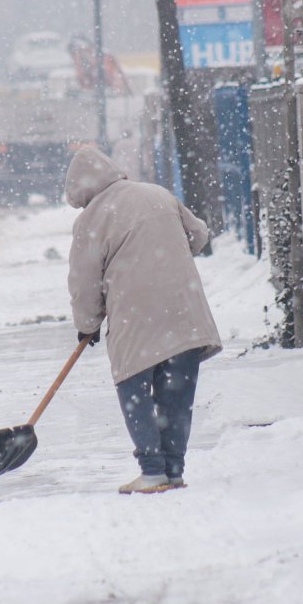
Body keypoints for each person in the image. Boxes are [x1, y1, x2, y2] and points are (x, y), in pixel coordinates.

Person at [65, 146, 222, 494]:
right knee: (176, 393)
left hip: (135, 315)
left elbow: (84, 280)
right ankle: (174, 469)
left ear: (82, 190)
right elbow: (197, 235)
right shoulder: (156, 194)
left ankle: (152, 471)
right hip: (184, 307)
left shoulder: (90, 220)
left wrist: (87, 323)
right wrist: (166, 251)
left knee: (133, 386)